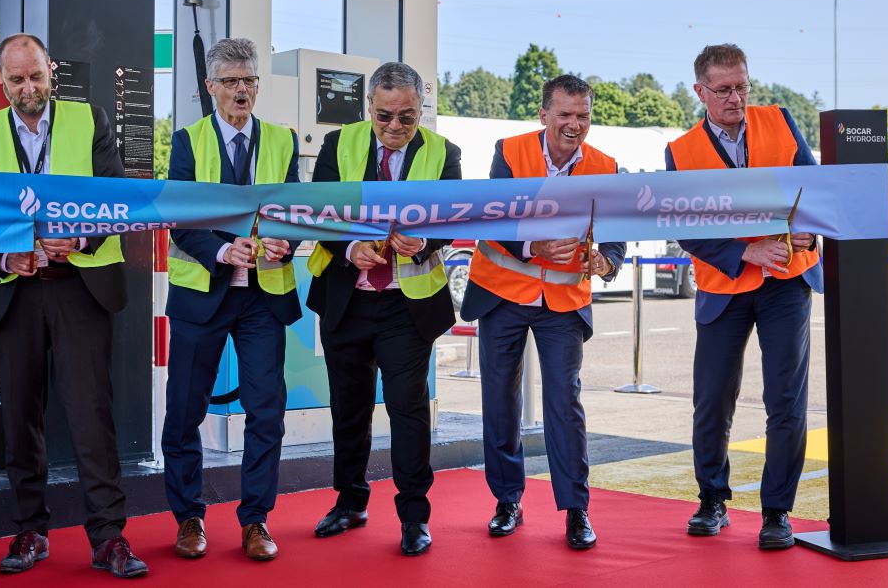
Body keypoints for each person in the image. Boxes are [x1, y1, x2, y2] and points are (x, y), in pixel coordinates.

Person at [0, 33, 147, 578]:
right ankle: (29, 532)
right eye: (16, 80)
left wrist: (81, 238)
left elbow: (116, 200)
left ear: (50, 71)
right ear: (1, 82)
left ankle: (109, 537)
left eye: (36, 76)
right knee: (19, 419)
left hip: (78, 286)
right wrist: (2, 259)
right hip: (12, 291)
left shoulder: (91, 121)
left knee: (92, 416)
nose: (28, 88)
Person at [665, 43, 821, 550]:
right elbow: (684, 229)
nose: (735, 97)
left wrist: (808, 232)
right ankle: (712, 500)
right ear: (700, 91)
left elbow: (814, 190)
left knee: (786, 401)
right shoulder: (681, 150)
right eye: (724, 89)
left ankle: (778, 512)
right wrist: (744, 252)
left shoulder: (780, 120)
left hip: (786, 282)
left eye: (742, 86)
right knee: (711, 401)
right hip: (722, 288)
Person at [460, 74, 624, 550]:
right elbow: (492, 216)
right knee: (500, 402)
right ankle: (507, 501)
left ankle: (576, 510)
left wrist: (607, 260)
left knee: (564, 405)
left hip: (564, 304)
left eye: (584, 116)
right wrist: (533, 246)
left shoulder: (606, 166)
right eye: (566, 115)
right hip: (503, 294)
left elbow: (615, 231)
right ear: (544, 115)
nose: (575, 125)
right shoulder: (509, 151)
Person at [305, 62, 461, 556]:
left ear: (422, 110)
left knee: (407, 410)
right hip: (346, 300)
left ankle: (415, 516)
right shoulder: (337, 145)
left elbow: (454, 215)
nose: (394, 127)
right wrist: (351, 249)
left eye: (407, 117)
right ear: (368, 106)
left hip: (407, 305)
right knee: (348, 410)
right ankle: (350, 502)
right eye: (385, 116)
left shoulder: (444, 153)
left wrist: (426, 241)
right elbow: (319, 212)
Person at [162, 37, 301, 562]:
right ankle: (189, 517)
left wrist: (285, 243)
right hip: (203, 295)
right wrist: (222, 252)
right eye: (231, 81)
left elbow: (293, 214)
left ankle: (255, 521)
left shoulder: (283, 141)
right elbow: (178, 220)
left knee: (267, 412)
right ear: (211, 87)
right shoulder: (185, 141)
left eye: (250, 80)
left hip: (263, 299)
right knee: (183, 412)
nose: (242, 90)